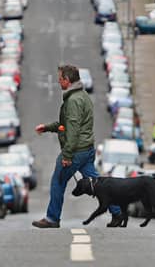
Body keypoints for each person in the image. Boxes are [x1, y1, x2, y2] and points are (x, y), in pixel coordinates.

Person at [32, 64, 121, 229]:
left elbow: (72, 130)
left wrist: (67, 156)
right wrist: (47, 127)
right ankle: (117, 212)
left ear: (67, 80)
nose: (58, 82)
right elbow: (66, 124)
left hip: (76, 150)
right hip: (87, 149)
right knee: (98, 184)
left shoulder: (73, 100)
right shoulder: (83, 96)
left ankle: (52, 218)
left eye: (60, 79)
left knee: (58, 182)